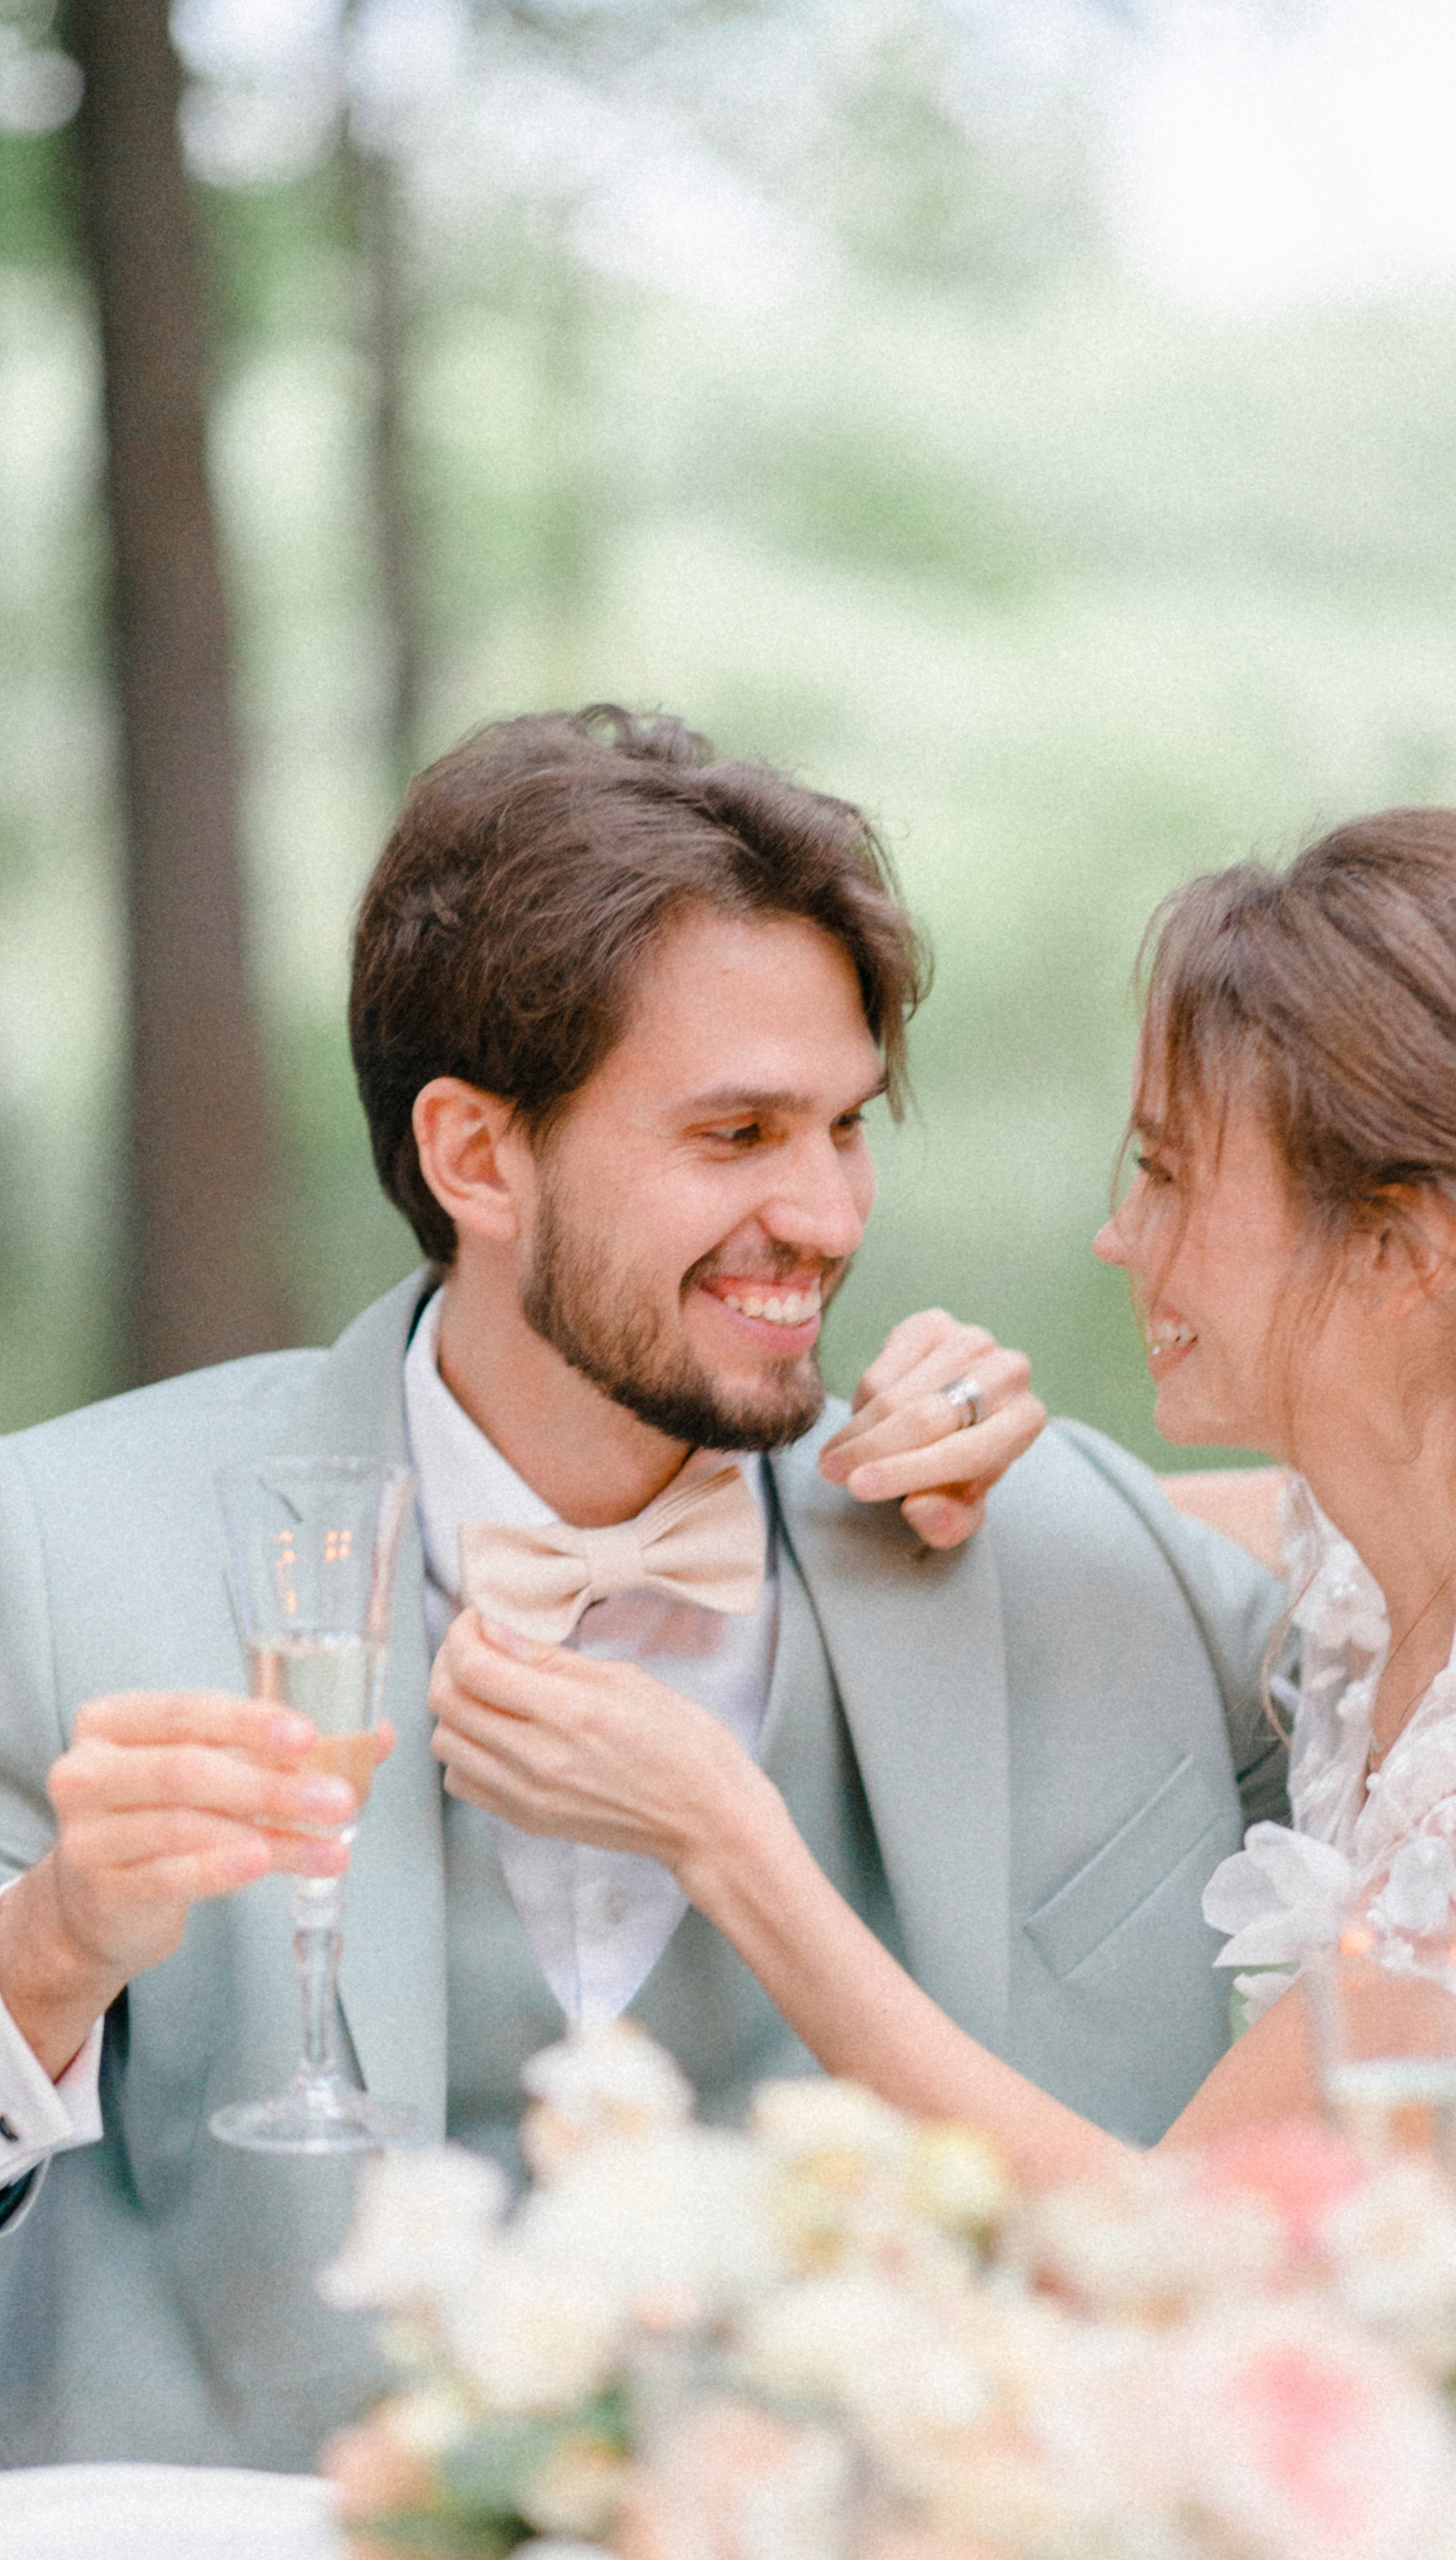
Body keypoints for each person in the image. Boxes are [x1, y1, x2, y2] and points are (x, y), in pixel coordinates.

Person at [426, 806, 1456, 2531]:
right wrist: (965, 1454)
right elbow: (1183, 1531)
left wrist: (727, 1842)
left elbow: (1170, 2246)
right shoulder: (1406, 1548)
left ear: (1399, 1248)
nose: (1118, 1238)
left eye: (1170, 1175)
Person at [0, 706, 1292, 2471]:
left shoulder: (1032, 1544)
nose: (828, 1214)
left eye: (843, 1128)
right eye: (736, 1133)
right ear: (477, 1157)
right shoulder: (66, 1547)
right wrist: (56, 1947)